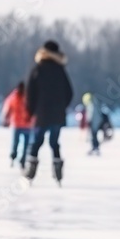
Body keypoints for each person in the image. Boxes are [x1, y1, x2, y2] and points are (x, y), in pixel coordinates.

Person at [24, 40, 73, 184]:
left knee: (37, 142)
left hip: (41, 113)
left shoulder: (38, 69)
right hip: (57, 115)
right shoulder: (61, 70)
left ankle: (30, 172)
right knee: (54, 142)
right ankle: (58, 172)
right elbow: (69, 92)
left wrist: (31, 110)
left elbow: (30, 92)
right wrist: (62, 107)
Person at [1, 82, 31, 169]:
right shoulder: (17, 97)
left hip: (23, 125)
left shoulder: (19, 97)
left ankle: (19, 159)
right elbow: (8, 109)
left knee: (20, 143)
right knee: (18, 143)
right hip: (20, 125)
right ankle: (16, 158)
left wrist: (6, 118)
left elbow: (7, 109)